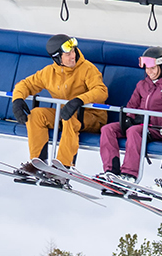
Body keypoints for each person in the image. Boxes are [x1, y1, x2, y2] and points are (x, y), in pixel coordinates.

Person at [10, 32, 107, 182]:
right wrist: (17, 100)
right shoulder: (49, 72)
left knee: (69, 116)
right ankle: (38, 164)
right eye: (67, 54)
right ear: (57, 58)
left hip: (92, 117)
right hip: (65, 115)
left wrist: (79, 100)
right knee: (36, 115)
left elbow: (101, 91)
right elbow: (25, 84)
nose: (72, 56)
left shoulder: (87, 68)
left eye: (73, 51)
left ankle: (62, 168)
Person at [97, 47, 162, 194]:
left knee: (134, 131)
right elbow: (131, 106)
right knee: (108, 129)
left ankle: (129, 175)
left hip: (158, 129)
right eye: (147, 68)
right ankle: (111, 170)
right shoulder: (142, 85)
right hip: (139, 125)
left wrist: (156, 123)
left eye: (152, 68)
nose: (149, 72)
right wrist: (129, 118)